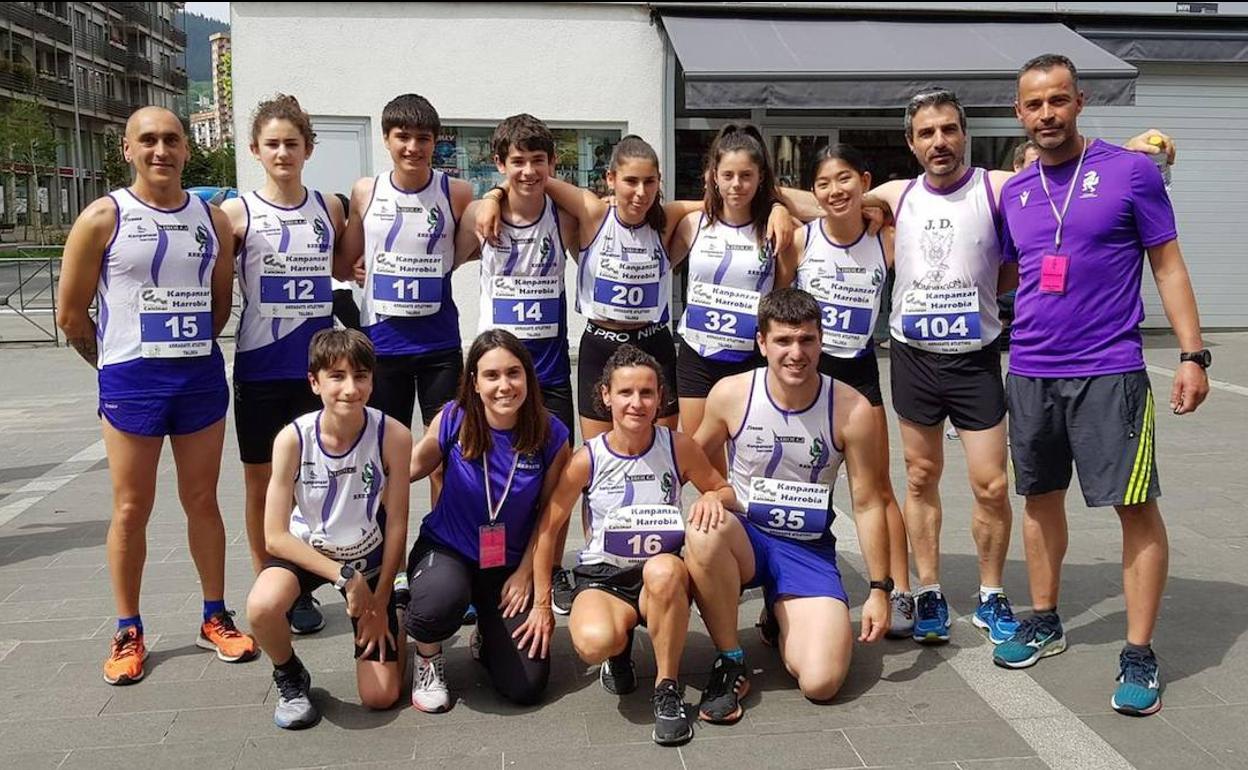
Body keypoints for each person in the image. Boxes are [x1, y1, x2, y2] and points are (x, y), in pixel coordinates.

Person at [855, 91, 1171, 647]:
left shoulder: (997, 185)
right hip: (912, 355)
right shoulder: (895, 195)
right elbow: (820, 198)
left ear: (965, 134)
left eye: (949, 130)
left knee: (993, 484)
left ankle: (992, 592)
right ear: (911, 142)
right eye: (927, 133)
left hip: (977, 356)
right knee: (921, 476)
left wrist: (1134, 152)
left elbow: (1061, 167)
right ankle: (928, 591)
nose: (939, 142)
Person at [994, 54, 1207, 718]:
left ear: (1079, 102)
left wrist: (1194, 354)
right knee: (1039, 498)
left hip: (1109, 371)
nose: (1047, 114)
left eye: (1059, 100)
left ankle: (1139, 650)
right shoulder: (1016, 193)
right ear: (1018, 113)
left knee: (1134, 506)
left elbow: (1168, 266)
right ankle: (1045, 617)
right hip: (1030, 368)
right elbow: (1006, 275)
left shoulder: (1131, 171)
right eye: (1035, 104)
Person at [56, 106, 257, 685]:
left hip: (197, 380)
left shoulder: (213, 220)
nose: (161, 150)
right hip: (132, 384)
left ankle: (214, 617)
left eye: (171, 139)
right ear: (127, 149)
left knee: (202, 502)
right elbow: (71, 316)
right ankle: (128, 628)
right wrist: (115, 363)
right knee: (130, 509)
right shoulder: (102, 217)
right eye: (148, 140)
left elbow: (220, 305)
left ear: (187, 149)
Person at [476, 134, 796, 444]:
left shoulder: (666, 219)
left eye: (650, 182)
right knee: (600, 460)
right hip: (600, 346)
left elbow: (724, 199)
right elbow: (534, 178)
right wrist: (494, 195)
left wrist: (775, 206)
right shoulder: (593, 213)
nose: (641, 193)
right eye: (631, 181)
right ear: (611, 178)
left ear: (659, 182)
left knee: (662, 452)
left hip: (653, 343)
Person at [684, 288, 892, 723]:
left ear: (821, 342)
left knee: (821, 683)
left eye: (807, 341)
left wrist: (879, 589)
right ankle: (730, 659)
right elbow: (689, 457)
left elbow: (870, 503)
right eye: (783, 341)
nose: (796, 353)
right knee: (704, 530)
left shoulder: (852, 408)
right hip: (744, 538)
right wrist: (713, 491)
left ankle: (780, 615)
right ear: (762, 343)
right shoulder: (731, 393)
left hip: (806, 546)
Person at [516, 345, 738, 746]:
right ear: (606, 396)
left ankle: (666, 688)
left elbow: (726, 491)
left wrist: (712, 497)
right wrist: (542, 604)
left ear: (660, 398)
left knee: (666, 568)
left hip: (660, 578)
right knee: (594, 640)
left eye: (647, 393)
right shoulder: (588, 458)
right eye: (625, 393)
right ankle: (617, 652)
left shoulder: (678, 447)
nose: (636, 403)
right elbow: (548, 530)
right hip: (604, 576)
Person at [222, 94, 347, 635]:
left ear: (308, 149)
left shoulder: (330, 208)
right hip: (259, 368)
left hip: (313, 374)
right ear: (255, 150)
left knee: (311, 481)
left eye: (291, 143)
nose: (282, 152)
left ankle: (307, 582)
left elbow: (345, 269)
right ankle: (269, 582)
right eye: (271, 144)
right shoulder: (236, 213)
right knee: (260, 483)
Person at [245, 329, 411, 729]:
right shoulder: (292, 439)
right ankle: (289, 674)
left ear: (373, 380)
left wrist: (380, 597)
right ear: (314, 382)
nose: (351, 388)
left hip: (367, 555)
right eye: (336, 376)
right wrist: (346, 581)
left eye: (361, 376)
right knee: (262, 606)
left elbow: (399, 523)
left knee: (381, 696)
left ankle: (401, 615)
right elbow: (275, 536)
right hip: (312, 555)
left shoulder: (394, 435)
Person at [404, 330, 572, 711]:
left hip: (509, 566)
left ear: (528, 377)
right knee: (437, 603)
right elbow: (412, 466)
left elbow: (549, 519)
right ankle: (428, 656)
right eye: (491, 375)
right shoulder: (452, 418)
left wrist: (528, 574)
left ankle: (487, 633)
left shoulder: (551, 433)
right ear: (474, 383)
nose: (504, 385)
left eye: (513, 373)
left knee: (526, 686)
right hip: (449, 551)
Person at [787, 144, 914, 637]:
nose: (835, 191)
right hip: (806, 377)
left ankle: (900, 588)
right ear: (813, 192)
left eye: (845, 179)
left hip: (858, 374)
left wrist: (873, 202)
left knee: (876, 486)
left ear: (864, 180)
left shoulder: (885, 238)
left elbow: (917, 197)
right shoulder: (800, 240)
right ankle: (791, 577)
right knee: (801, 481)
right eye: (823, 183)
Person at [336, 93, 472, 429]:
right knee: (385, 453)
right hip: (381, 345)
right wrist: (359, 265)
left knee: (444, 454)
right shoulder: (366, 191)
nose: (413, 147)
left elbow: (466, 251)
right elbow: (342, 265)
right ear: (386, 139)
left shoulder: (457, 192)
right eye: (402, 136)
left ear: (435, 142)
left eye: (423, 138)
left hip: (439, 346)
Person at [668, 123, 795, 460]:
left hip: (749, 359)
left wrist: (780, 206)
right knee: (699, 456)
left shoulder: (775, 228)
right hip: (698, 356)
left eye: (746, 175)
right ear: (713, 176)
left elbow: (780, 297)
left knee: (752, 456)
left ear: (760, 178)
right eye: (728, 175)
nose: (736, 184)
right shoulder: (693, 225)